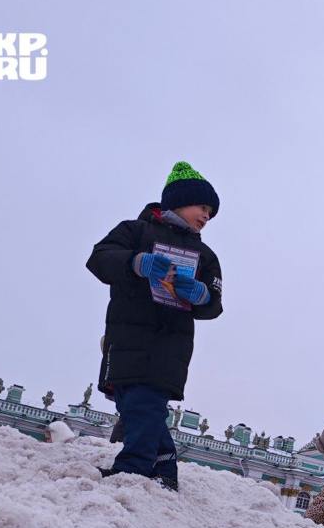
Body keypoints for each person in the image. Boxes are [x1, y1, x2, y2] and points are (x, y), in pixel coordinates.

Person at [87, 161, 224, 491]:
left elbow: (215, 303)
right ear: (177, 200)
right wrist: (137, 262)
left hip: (169, 344)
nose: (206, 216)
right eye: (201, 206)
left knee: (145, 402)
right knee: (131, 401)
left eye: (210, 211)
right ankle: (165, 468)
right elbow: (99, 257)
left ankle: (133, 470)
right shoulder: (135, 232)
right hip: (127, 334)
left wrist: (203, 294)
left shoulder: (204, 255)